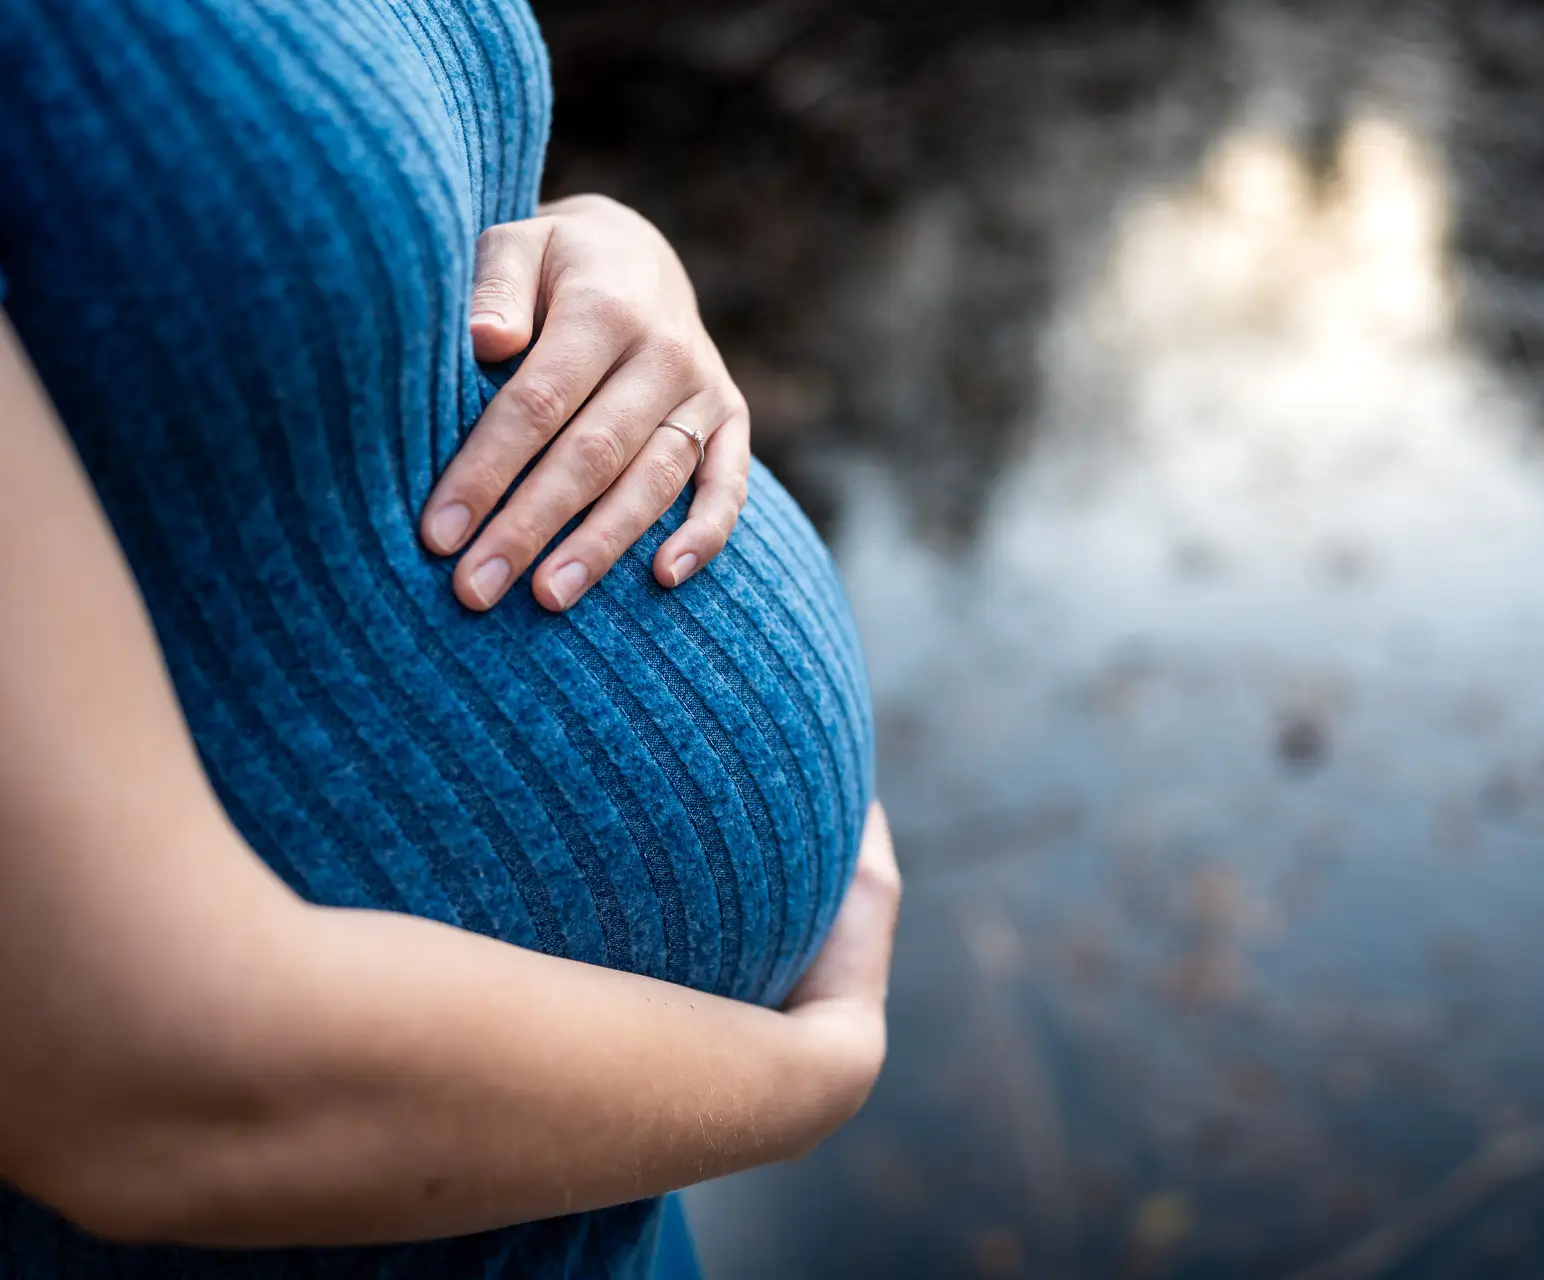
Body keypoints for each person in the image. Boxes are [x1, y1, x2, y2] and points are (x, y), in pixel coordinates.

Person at [0, 0, 898, 1276]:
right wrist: (806, 1076)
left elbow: (337, 211)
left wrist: (599, 247)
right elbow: (134, 1078)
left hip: (557, 1211)